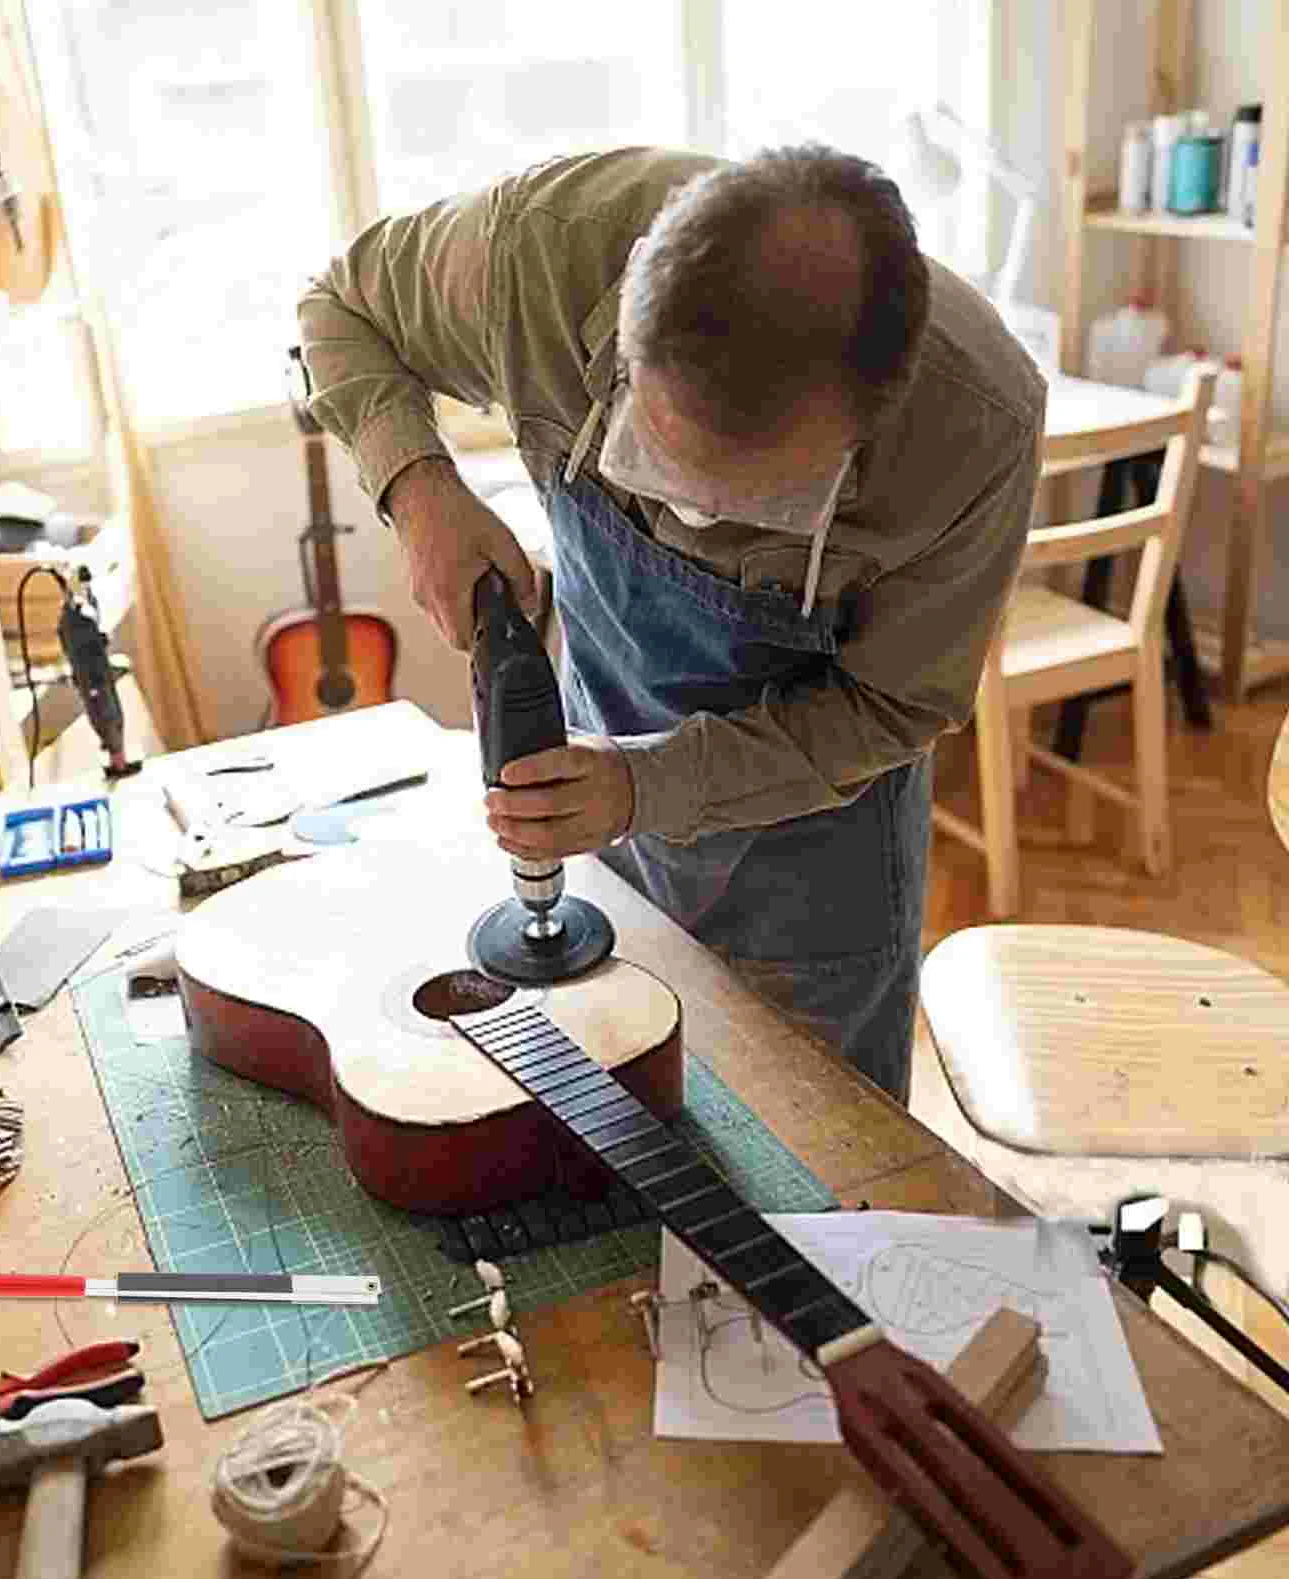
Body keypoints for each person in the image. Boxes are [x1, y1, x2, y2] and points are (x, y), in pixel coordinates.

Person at [297, 146, 1045, 1103]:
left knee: (819, 1162)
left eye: (755, 501)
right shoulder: (541, 254)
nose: (689, 519)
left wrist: (647, 785)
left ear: (872, 420)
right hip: (595, 771)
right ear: (631, 314)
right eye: (656, 458)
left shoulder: (976, 428)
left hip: (813, 861)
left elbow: (891, 710)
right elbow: (340, 305)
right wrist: (420, 490)